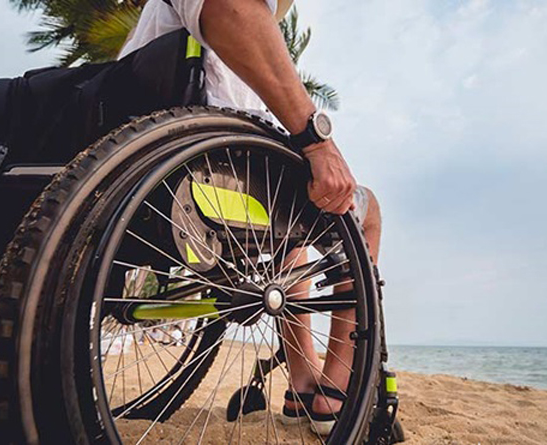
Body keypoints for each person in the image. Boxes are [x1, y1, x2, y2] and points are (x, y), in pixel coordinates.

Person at [120, 0, 383, 434]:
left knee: (293, 238)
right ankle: (334, 384)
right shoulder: (234, 27)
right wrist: (318, 144)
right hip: (210, 180)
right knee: (367, 210)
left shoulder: (151, 35)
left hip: (151, 171)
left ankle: (303, 381)